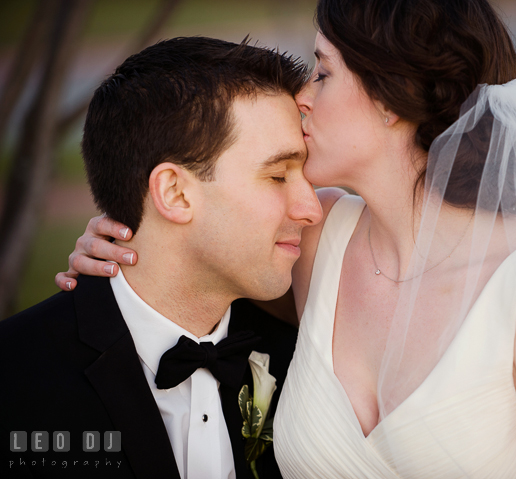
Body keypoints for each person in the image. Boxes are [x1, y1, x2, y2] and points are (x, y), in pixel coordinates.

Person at [55, 0, 516, 477]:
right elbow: (190, 253)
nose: (301, 98)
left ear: (392, 99)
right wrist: (117, 243)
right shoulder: (316, 238)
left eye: (323, 72)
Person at [1, 37, 321, 478]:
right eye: (278, 175)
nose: (312, 208)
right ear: (174, 192)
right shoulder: (14, 377)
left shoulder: (306, 364)